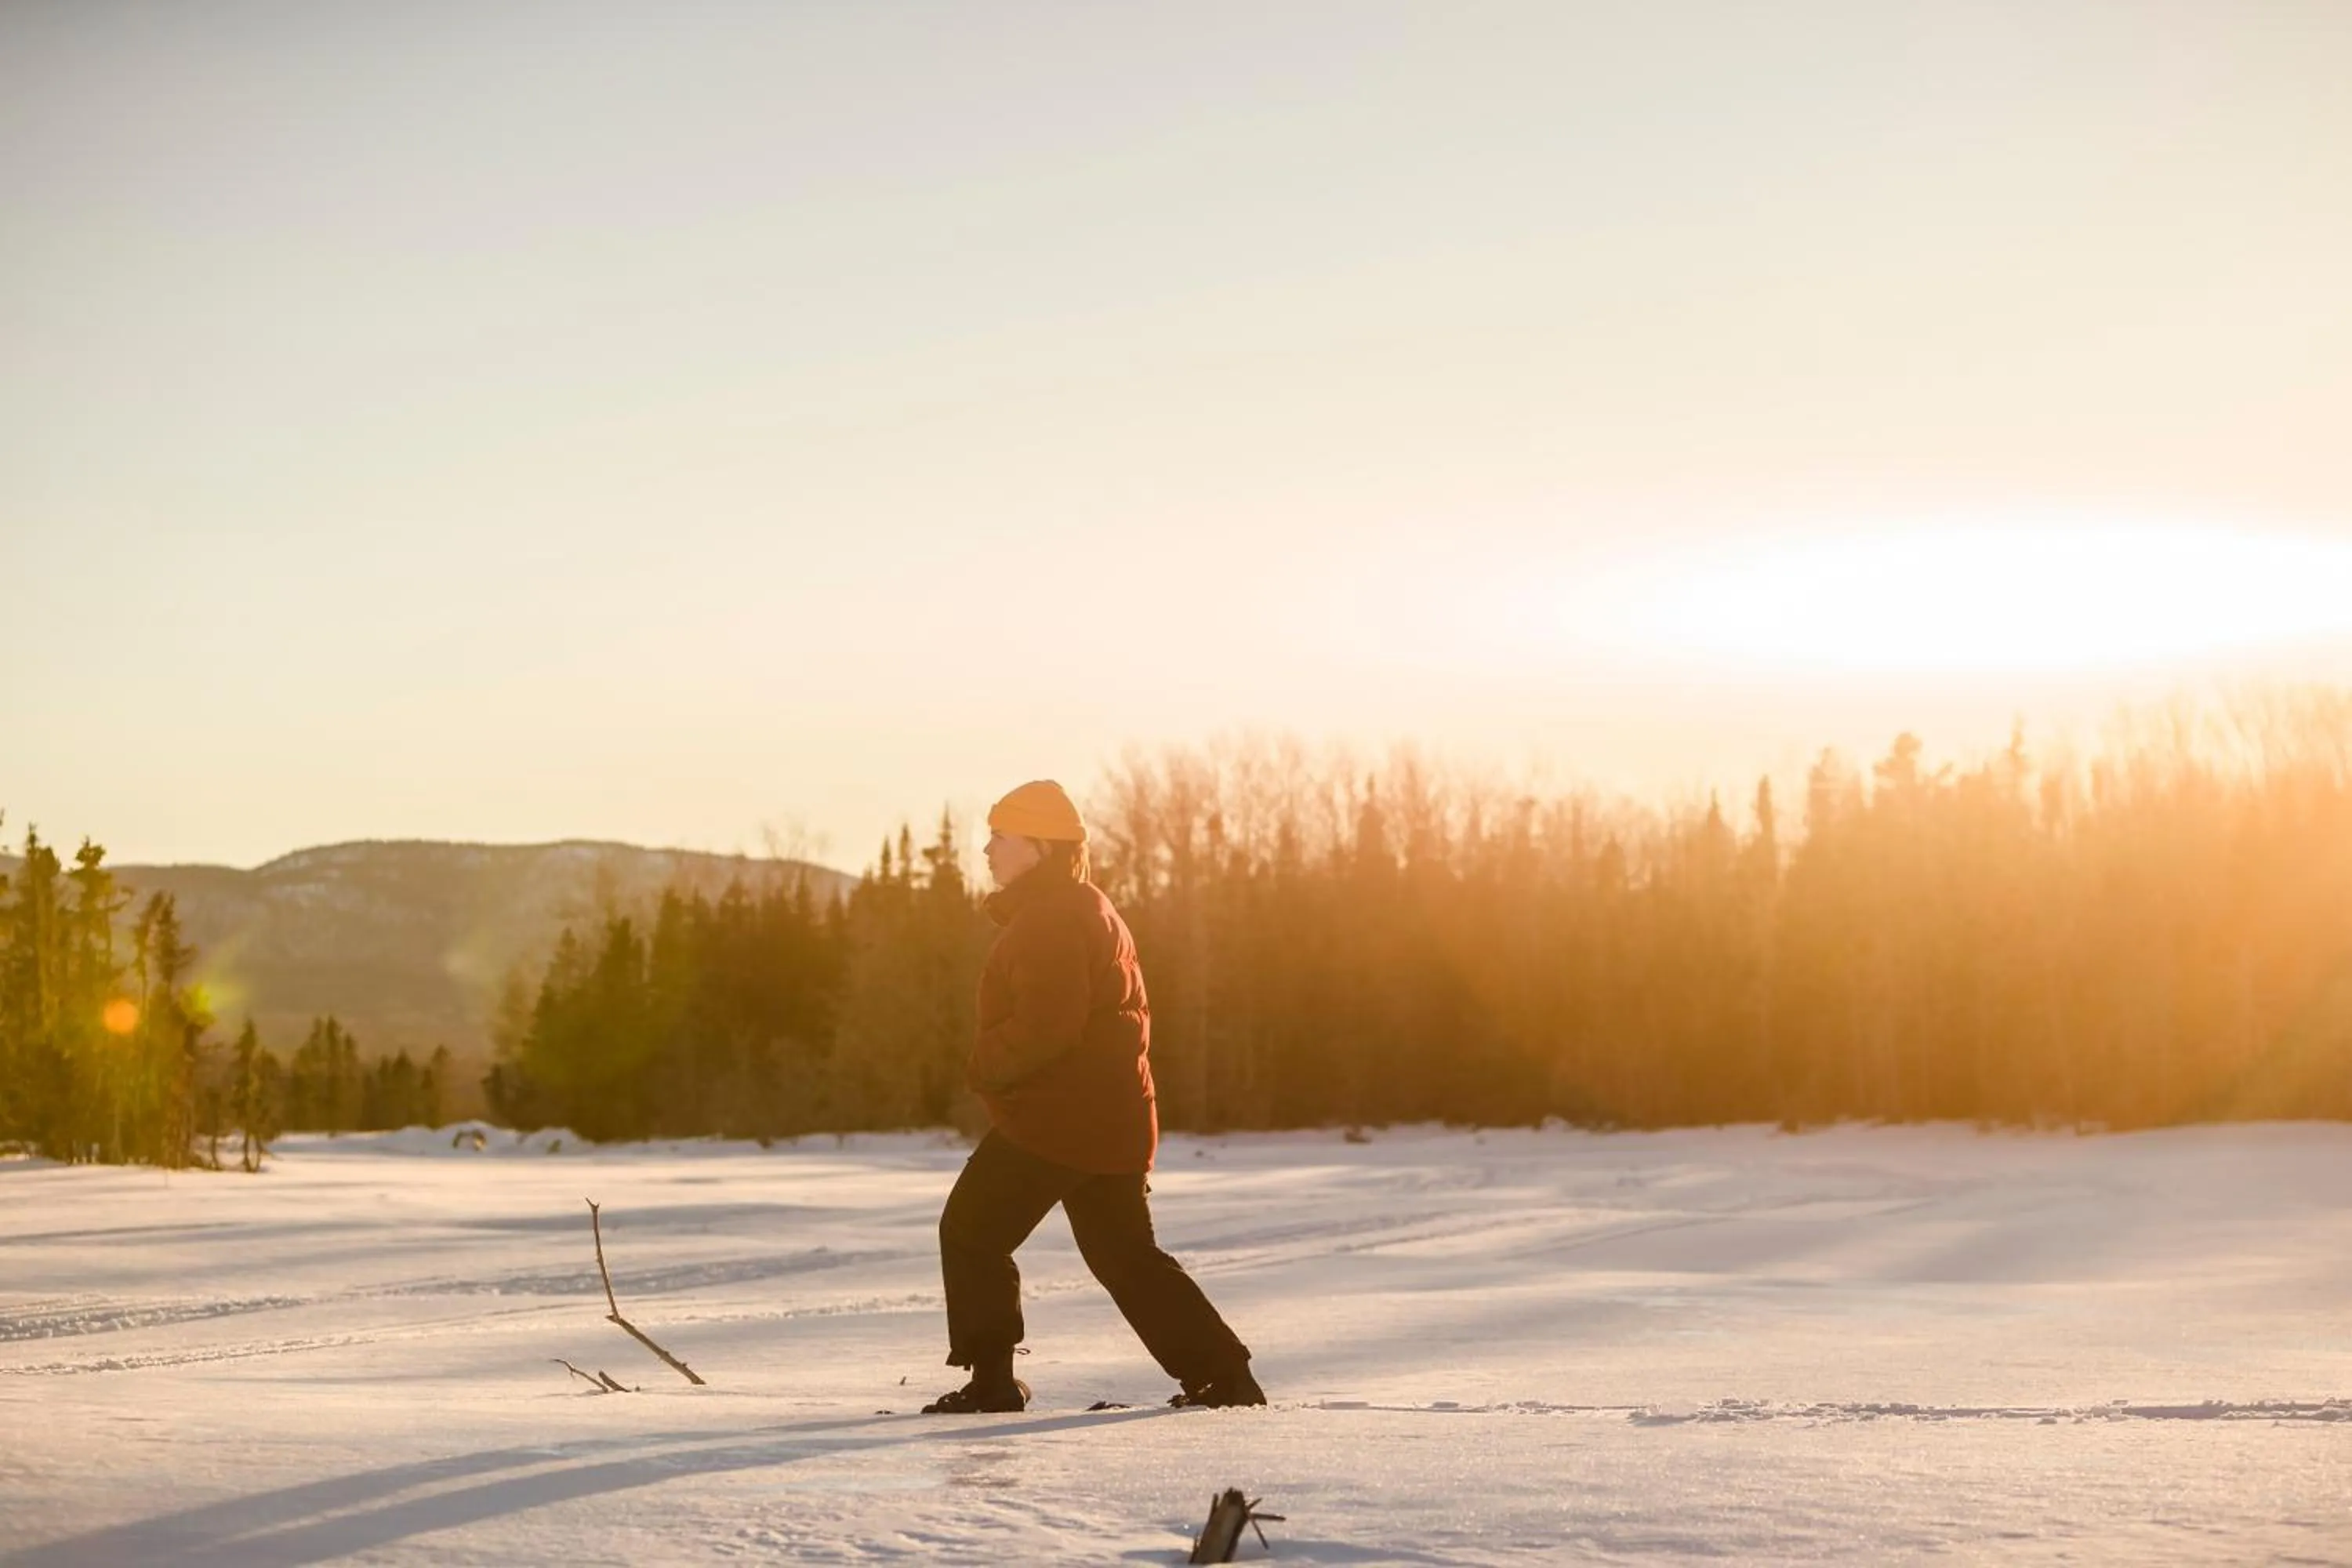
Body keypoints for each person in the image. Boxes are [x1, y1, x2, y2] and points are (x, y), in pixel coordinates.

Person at [921, 779, 1265, 1414]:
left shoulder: (1051, 919)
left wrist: (984, 1067)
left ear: (1041, 847)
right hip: (1111, 1120)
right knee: (1125, 1256)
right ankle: (1225, 1377)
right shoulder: (1084, 907)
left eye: (1001, 837)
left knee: (971, 1231)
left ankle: (992, 1383)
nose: (988, 849)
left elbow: (1048, 1025)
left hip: (1060, 1121)